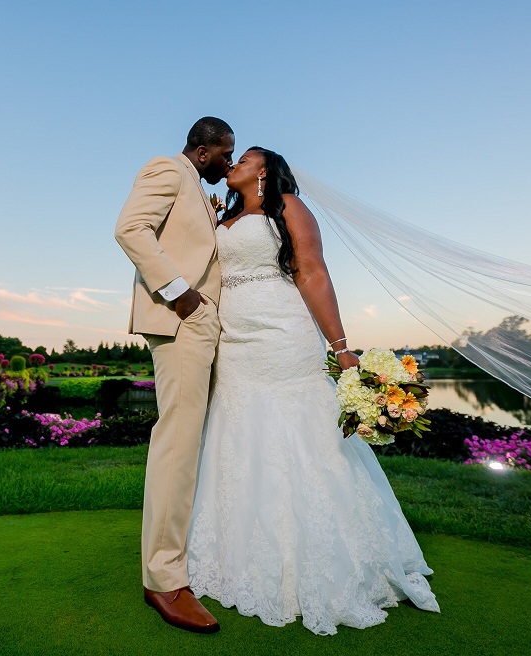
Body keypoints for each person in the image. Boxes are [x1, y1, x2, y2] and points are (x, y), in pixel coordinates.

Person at [186, 147, 440, 636]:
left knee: (296, 433)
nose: (234, 163)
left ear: (264, 172)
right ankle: (235, 555)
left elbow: (312, 272)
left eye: (245, 159)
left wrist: (342, 350)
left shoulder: (289, 207)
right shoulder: (226, 214)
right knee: (238, 432)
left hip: (283, 333)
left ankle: (323, 562)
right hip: (233, 340)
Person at [113, 116, 235, 634]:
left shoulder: (199, 190)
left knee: (194, 441)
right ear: (203, 152)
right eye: (225, 153)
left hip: (203, 324)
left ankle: (185, 556)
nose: (229, 163)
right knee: (178, 444)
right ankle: (163, 579)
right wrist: (180, 294)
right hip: (181, 320)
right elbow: (129, 228)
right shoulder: (167, 168)